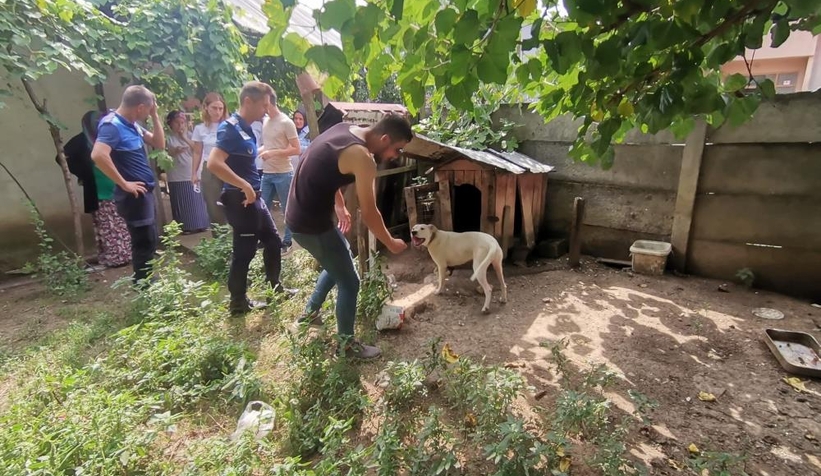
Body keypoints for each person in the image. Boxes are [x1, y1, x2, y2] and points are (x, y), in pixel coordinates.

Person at [286, 114, 412, 359]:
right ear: (384, 139)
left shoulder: (346, 129)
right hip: (311, 225)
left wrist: (339, 204)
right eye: (397, 149)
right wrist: (391, 243)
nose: (395, 156)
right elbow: (370, 212)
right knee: (350, 281)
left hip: (299, 215)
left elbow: (323, 168)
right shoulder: (362, 157)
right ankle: (346, 346)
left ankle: (310, 313)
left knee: (339, 258)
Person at [206, 81, 295, 315]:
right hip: (240, 200)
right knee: (244, 251)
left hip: (255, 198)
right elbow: (213, 163)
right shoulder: (230, 128)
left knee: (273, 242)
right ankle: (237, 302)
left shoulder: (246, 128)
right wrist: (243, 185)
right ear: (248, 101)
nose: (266, 110)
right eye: (263, 105)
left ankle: (275, 287)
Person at [90, 85, 165, 285]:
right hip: (134, 197)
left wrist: (155, 116)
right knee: (143, 241)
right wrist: (124, 183)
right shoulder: (112, 125)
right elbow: (98, 155)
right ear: (140, 107)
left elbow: (159, 143)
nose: (148, 113)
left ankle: (148, 280)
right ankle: (143, 285)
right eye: (148, 110)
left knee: (150, 239)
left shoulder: (132, 125)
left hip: (144, 193)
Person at [62, 110, 131, 268]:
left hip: (117, 185)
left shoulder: (107, 136)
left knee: (120, 223)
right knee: (107, 225)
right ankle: (114, 258)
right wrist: (83, 172)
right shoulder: (81, 141)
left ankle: (124, 255)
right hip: (98, 190)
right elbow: (62, 157)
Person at [258, 91, 300, 254]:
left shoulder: (286, 122)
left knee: (287, 209)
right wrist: (257, 150)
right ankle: (266, 239)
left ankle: (287, 241)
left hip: (283, 173)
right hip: (267, 172)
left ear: (269, 102)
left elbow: (296, 149)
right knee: (262, 208)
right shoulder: (265, 121)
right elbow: (269, 144)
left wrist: (273, 153)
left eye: (262, 103)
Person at [165, 110, 210, 234]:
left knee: (197, 200)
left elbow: (197, 149)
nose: (180, 126)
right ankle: (186, 227)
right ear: (170, 123)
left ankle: (201, 224)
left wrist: (184, 137)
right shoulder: (168, 138)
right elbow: (166, 153)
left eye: (182, 123)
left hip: (193, 173)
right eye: (177, 123)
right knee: (183, 200)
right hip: (177, 175)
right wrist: (175, 151)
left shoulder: (191, 135)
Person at [191, 92, 228, 226]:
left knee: (232, 203)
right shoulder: (200, 129)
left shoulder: (229, 126)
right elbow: (197, 152)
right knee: (213, 206)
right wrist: (194, 173)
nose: (217, 112)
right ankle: (220, 236)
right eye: (214, 108)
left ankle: (235, 235)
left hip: (228, 166)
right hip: (210, 168)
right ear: (206, 107)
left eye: (220, 108)